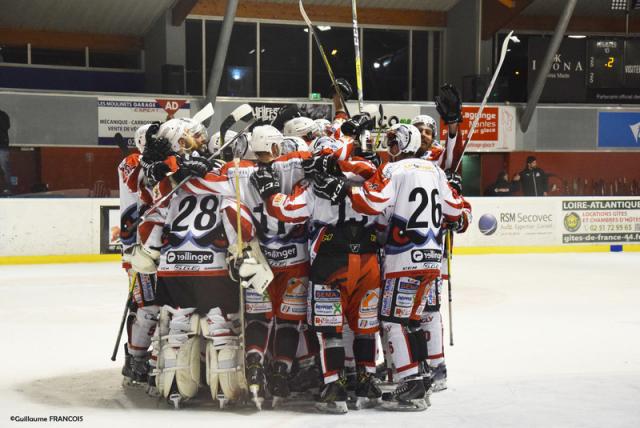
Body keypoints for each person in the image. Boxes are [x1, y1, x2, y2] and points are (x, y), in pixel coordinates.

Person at [0, 108, 10, 194]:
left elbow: (6, 126)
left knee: (4, 167)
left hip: (2, 146)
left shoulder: (3, 115)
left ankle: (7, 188)